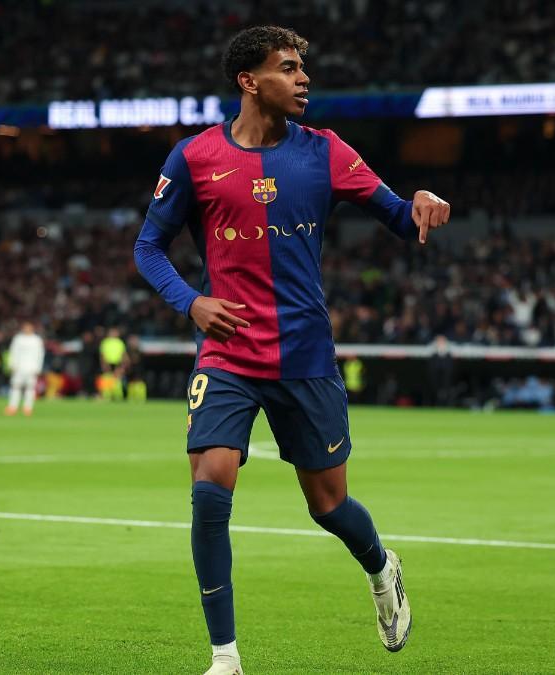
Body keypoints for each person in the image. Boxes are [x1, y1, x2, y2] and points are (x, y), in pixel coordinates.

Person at [133, 26, 450, 674]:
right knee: (210, 485)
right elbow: (147, 246)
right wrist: (191, 301)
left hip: (305, 355)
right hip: (227, 354)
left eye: (303, 67)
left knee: (328, 503)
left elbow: (396, 213)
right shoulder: (194, 158)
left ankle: (381, 565)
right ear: (249, 82)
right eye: (288, 67)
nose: (303, 78)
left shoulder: (327, 152)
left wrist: (418, 203)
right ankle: (225, 656)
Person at [5, 321, 45, 416]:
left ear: (32, 328)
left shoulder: (36, 340)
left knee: (30, 388)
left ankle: (28, 407)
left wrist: (38, 367)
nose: (26, 329)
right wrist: (12, 365)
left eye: (28, 327)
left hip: (31, 368)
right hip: (19, 367)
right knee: (15, 387)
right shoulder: (18, 339)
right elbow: (13, 352)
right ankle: (13, 407)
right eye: (25, 327)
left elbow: (40, 354)